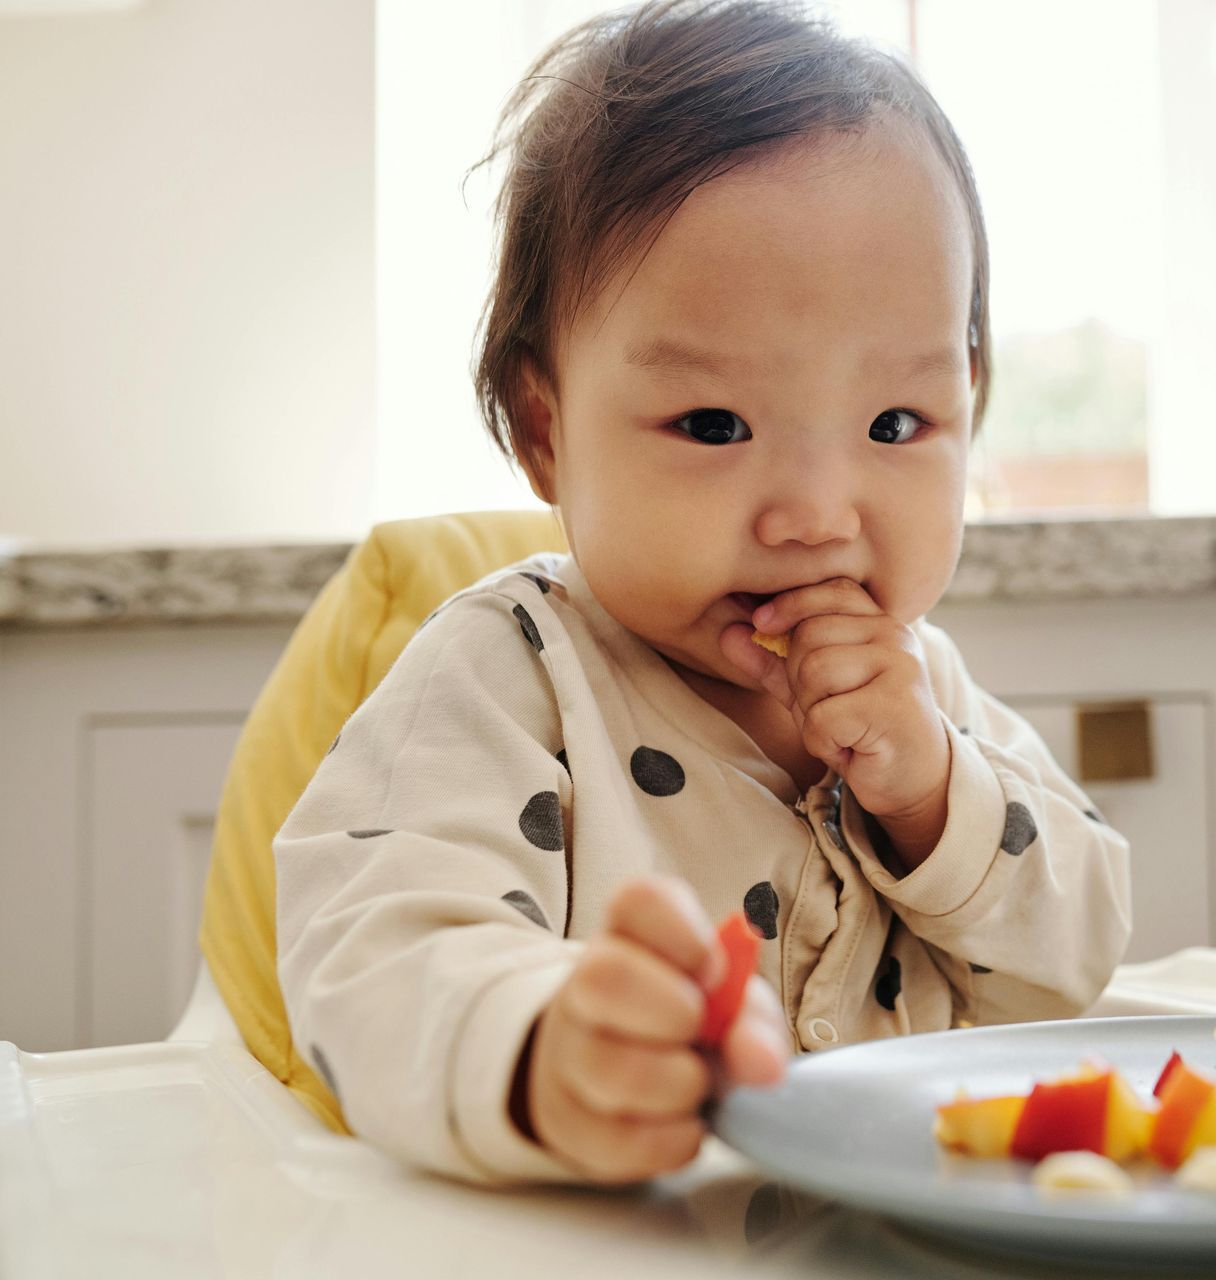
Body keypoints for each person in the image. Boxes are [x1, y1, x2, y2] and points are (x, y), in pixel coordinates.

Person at [276, 0, 1132, 1187]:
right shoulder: (513, 671)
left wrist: (936, 793)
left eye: (896, 422)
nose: (818, 514)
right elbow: (368, 953)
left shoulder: (925, 690)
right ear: (546, 431)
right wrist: (541, 1049)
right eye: (714, 424)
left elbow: (1076, 956)